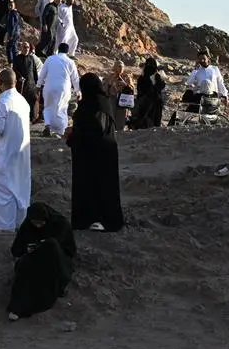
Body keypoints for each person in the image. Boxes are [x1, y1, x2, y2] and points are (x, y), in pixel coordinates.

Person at [67, 74, 124, 232]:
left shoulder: (93, 105)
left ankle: (96, 218)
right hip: (103, 154)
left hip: (94, 156)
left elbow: (94, 130)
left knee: (94, 187)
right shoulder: (102, 102)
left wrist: (73, 134)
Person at [0, 70, 32, 231]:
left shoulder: (3, 102)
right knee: (19, 189)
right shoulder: (23, 101)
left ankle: (2, 225)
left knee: (3, 191)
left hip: (3, 155)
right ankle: (18, 223)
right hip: (20, 155)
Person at [7, 202, 75, 321]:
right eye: (35, 223)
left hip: (55, 260)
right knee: (25, 270)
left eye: (41, 223)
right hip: (33, 259)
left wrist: (45, 246)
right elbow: (17, 249)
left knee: (51, 244)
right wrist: (28, 248)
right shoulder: (27, 226)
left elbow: (68, 249)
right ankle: (17, 309)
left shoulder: (60, 224)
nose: (38, 226)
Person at [39, 44, 81, 137]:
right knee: (62, 108)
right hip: (63, 88)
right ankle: (61, 131)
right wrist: (78, 91)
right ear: (67, 51)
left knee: (48, 107)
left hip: (49, 86)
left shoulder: (50, 59)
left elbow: (42, 73)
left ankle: (48, 126)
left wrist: (38, 85)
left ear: (58, 49)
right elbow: (75, 78)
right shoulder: (70, 62)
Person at [128, 57, 167, 130]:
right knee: (154, 120)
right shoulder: (156, 75)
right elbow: (160, 86)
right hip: (154, 101)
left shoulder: (143, 76)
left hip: (145, 101)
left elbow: (139, 89)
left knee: (143, 118)